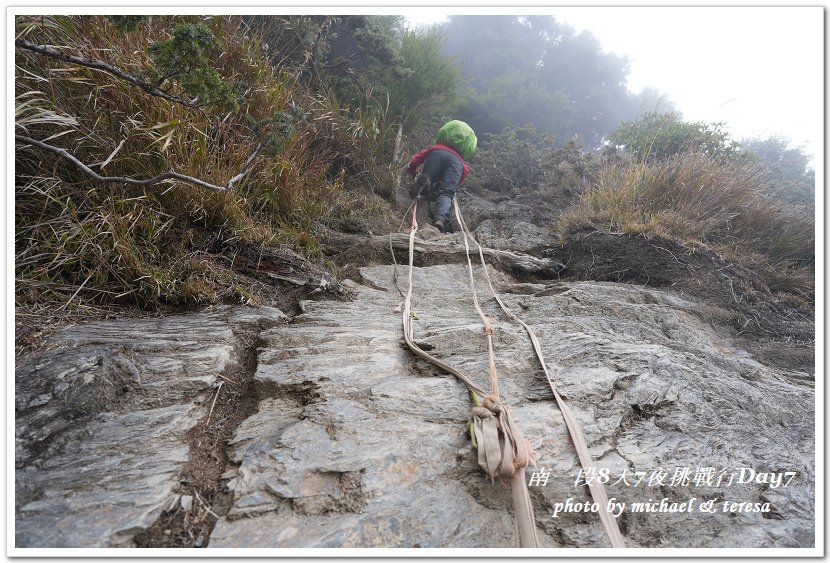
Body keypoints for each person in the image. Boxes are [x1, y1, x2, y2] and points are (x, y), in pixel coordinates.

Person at [406, 120, 477, 233]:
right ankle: (440, 219)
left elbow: (415, 159)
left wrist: (413, 172)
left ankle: (425, 181)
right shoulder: (461, 161)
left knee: (429, 177)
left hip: (436, 154)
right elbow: (463, 173)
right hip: (456, 162)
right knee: (447, 193)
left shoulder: (435, 147)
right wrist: (454, 186)